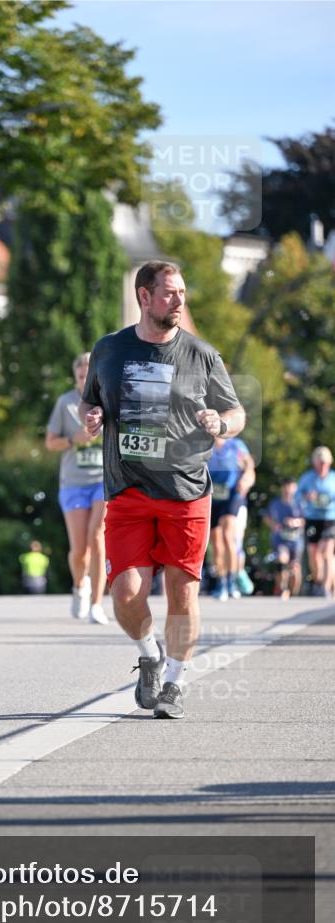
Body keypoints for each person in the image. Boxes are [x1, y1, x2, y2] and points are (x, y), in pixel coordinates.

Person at [80, 260, 246, 720]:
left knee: (182, 592)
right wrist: (89, 417)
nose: (179, 301)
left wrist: (222, 423)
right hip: (128, 489)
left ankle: (174, 681)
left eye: (182, 293)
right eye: (170, 293)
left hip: (186, 490)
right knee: (126, 594)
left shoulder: (201, 355)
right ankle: (149, 655)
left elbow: (236, 413)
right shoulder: (109, 350)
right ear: (144, 296)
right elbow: (90, 401)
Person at [45, 353, 108, 624]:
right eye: (81, 376)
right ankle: (79, 586)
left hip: (103, 481)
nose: (85, 380)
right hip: (73, 482)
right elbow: (50, 443)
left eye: (89, 375)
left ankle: (97, 603)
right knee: (80, 548)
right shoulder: (65, 403)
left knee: (98, 537)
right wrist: (74, 438)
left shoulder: (109, 399)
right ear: (75, 377)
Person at [207, 435, 256, 600]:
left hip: (232, 494)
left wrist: (246, 479)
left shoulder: (235, 445)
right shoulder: (204, 445)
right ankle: (221, 581)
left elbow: (249, 465)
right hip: (212, 496)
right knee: (215, 542)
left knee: (228, 535)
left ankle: (232, 579)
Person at [295, 446, 335, 597]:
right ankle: (318, 581)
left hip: (331, 518)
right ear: (315, 463)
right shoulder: (307, 478)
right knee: (313, 553)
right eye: (320, 462)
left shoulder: (333, 478)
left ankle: (326, 587)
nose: (322, 466)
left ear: (329, 463)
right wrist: (306, 497)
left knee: (327, 552)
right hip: (312, 518)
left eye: (325, 462)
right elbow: (296, 496)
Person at [263, 477, 305, 599]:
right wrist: (274, 525)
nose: (287, 489)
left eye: (290, 486)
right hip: (280, 540)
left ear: (295, 488)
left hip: (296, 541)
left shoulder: (299, 503)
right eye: (285, 486)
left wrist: (295, 522)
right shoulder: (275, 503)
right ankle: (282, 588)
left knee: (295, 568)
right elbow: (267, 517)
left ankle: (293, 593)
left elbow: (305, 520)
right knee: (281, 559)